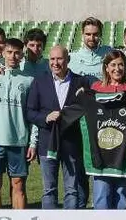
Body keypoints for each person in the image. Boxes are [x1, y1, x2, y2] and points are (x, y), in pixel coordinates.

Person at [0, 38, 37, 210]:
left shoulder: (29, 81)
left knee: (18, 185)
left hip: (18, 143)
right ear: (3, 53)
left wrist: (32, 142)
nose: (13, 56)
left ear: (22, 55)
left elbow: (32, 117)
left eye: (17, 52)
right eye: (9, 52)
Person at [26, 45, 89, 209]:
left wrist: (87, 95)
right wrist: (45, 117)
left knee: (72, 189)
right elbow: (30, 112)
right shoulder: (39, 82)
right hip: (47, 143)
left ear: (68, 60)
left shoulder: (80, 82)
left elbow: (89, 108)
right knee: (49, 189)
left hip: (72, 143)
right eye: (52, 59)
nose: (55, 63)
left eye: (59, 58)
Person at [87, 50, 126, 209]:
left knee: (122, 195)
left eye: (121, 65)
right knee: (101, 194)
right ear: (106, 67)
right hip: (100, 152)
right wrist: (83, 96)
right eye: (113, 65)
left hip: (123, 153)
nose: (117, 69)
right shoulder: (96, 87)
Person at [68, 17, 112, 82]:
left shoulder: (110, 54)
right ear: (82, 34)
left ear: (100, 34)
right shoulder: (71, 58)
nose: (92, 38)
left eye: (95, 34)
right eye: (88, 34)